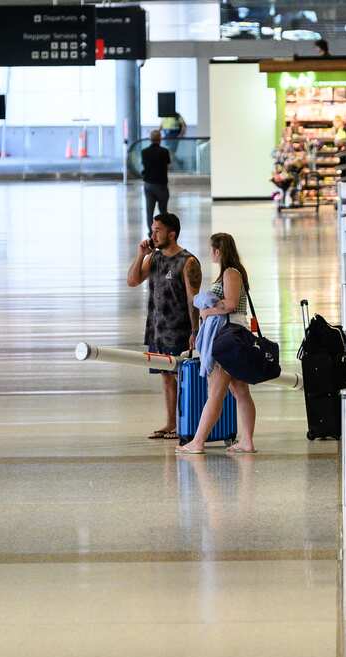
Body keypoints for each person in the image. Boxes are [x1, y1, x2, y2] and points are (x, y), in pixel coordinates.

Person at [176, 233, 257, 455]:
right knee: (240, 391)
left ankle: (198, 441)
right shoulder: (231, 273)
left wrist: (206, 310)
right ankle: (247, 441)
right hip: (233, 337)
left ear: (218, 251)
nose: (210, 253)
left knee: (216, 393)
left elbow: (230, 304)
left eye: (211, 249)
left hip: (226, 339)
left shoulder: (231, 273)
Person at [126, 212, 201, 440]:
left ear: (172, 233)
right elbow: (132, 280)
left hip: (180, 330)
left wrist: (195, 331)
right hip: (158, 328)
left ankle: (185, 423)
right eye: (152, 230)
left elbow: (193, 300)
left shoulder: (188, 262)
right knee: (165, 376)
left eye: (157, 230)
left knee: (182, 377)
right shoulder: (155, 258)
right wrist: (141, 255)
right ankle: (170, 423)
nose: (153, 235)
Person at [140, 129, 171, 222]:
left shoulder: (144, 152)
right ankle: (163, 231)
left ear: (150, 139)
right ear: (160, 139)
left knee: (149, 211)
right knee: (163, 211)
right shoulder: (164, 151)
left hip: (148, 184)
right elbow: (168, 165)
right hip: (161, 184)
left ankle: (151, 232)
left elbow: (144, 165)